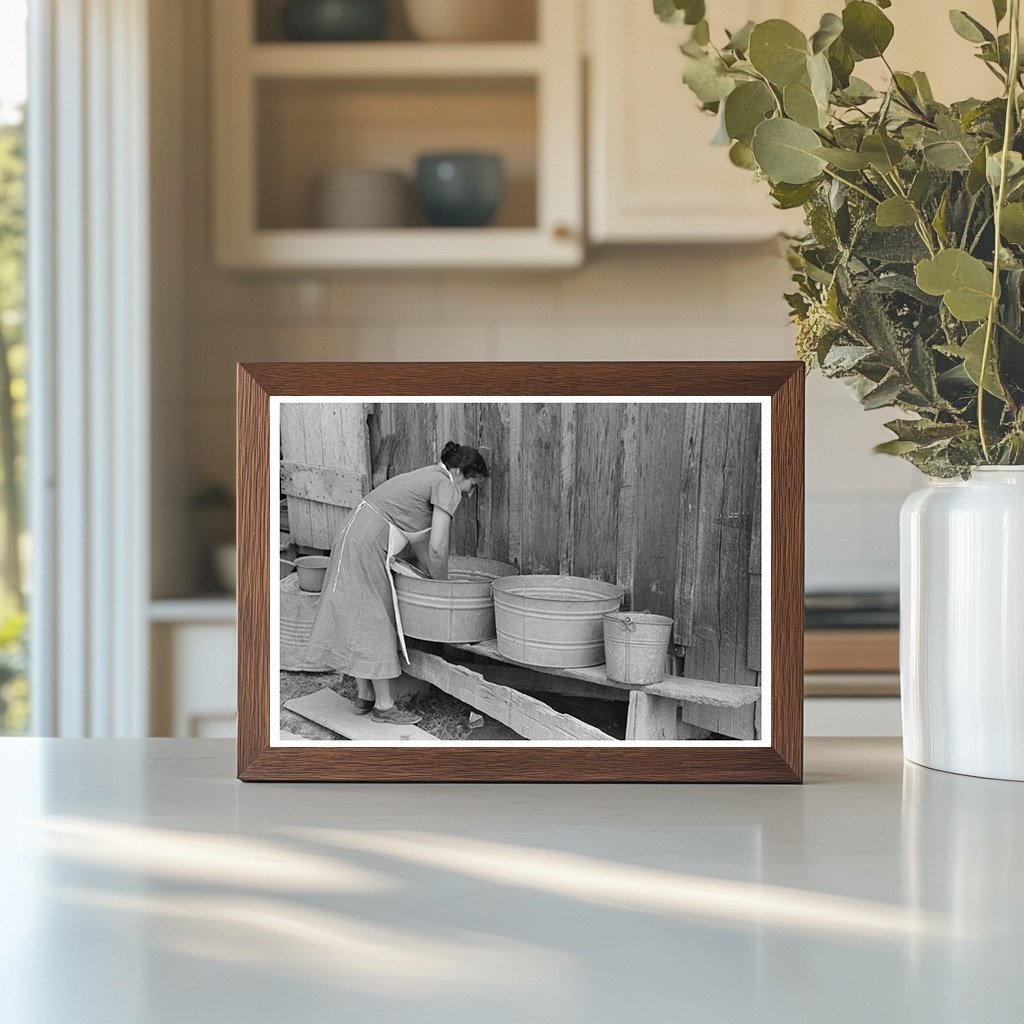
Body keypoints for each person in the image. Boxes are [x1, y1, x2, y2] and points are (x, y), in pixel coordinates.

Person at [305, 440, 488, 725]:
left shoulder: (428, 476)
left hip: (355, 532)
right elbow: (439, 547)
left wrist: (431, 576)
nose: (469, 494)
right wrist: (442, 589)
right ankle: (384, 706)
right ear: (460, 472)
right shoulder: (446, 485)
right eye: (472, 485)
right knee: (375, 616)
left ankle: (364, 695)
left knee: (358, 614)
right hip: (367, 541)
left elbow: (421, 545)